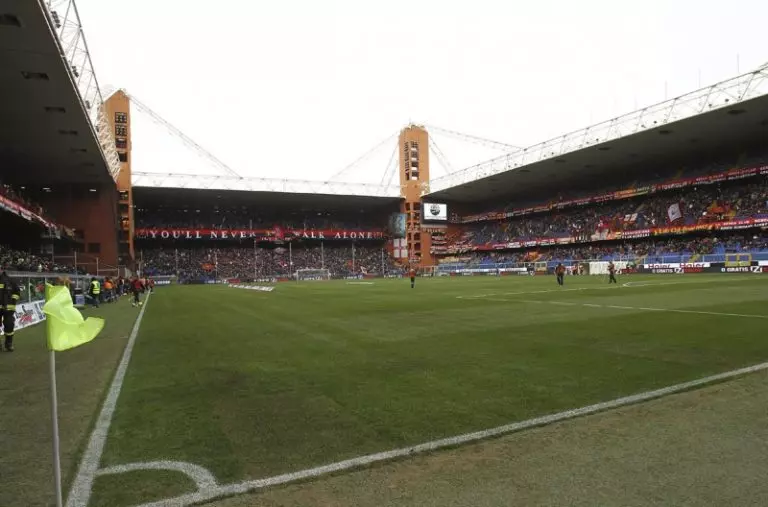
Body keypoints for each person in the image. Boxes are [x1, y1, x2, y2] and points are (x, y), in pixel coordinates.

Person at [0, 270, 21, 352]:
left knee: (9, 325)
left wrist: (13, 301)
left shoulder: (10, 280)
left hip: (8, 309)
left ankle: (9, 344)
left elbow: (17, 292)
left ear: (2, 269)